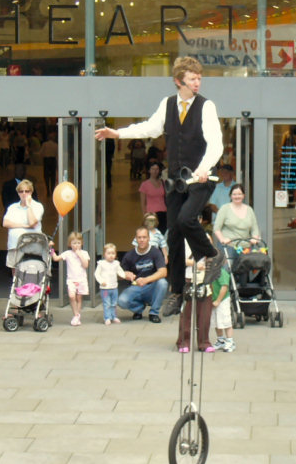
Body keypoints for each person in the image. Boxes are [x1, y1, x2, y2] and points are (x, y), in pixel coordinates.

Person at [96, 56, 225, 318]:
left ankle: (212, 255)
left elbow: (216, 143)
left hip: (200, 179)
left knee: (187, 219)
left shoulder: (206, 106)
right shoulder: (168, 104)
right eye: (192, 79)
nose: (197, 83)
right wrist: (117, 133)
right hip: (177, 181)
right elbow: (149, 128)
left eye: (199, 78)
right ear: (179, 81)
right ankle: (176, 291)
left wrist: (204, 167)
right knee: (174, 234)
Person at [118, 226, 168, 323]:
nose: (141, 240)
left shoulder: (155, 252)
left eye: (144, 237)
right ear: (135, 239)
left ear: (149, 238)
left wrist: (146, 280)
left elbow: (163, 272)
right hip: (136, 287)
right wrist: (125, 275)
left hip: (152, 286)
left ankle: (154, 313)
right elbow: (119, 275)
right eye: (139, 237)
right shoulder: (129, 255)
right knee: (122, 301)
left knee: (163, 283)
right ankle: (139, 309)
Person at [177, 238, 216, 353]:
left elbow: (212, 255)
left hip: (204, 279)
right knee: (186, 313)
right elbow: (177, 259)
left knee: (205, 313)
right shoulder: (181, 239)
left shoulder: (205, 236)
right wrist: (194, 264)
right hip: (187, 278)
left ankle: (204, 342)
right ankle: (184, 341)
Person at [3, 179, 44, 273]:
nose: (24, 194)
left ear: (31, 192)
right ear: (18, 193)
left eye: (27, 191)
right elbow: (5, 223)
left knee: (32, 273)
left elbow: (32, 223)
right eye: (21, 191)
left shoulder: (38, 206)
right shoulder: (12, 207)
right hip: (14, 245)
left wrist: (28, 205)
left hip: (32, 247)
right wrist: (24, 225)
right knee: (15, 273)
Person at [50, 232, 90, 326]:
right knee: (72, 296)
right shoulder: (68, 253)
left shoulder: (84, 253)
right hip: (71, 280)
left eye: (78, 243)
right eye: (74, 243)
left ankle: (77, 316)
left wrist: (79, 255)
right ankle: (76, 315)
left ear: (82, 243)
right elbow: (56, 258)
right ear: (70, 244)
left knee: (79, 298)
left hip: (81, 279)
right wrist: (51, 249)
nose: (76, 245)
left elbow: (85, 265)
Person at [213, 184, 260, 258]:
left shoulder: (249, 210)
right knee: (228, 265)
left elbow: (255, 229)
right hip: (229, 247)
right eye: (234, 194)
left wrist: (255, 238)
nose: (237, 196)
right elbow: (216, 228)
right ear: (230, 196)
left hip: (246, 248)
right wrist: (222, 239)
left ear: (243, 195)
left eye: (239, 194)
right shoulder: (224, 209)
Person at [94, 243, 126, 325]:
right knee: (107, 303)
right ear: (104, 254)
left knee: (114, 303)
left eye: (113, 253)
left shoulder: (116, 263)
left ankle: (114, 316)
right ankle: (107, 317)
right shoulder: (101, 264)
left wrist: (123, 275)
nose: (111, 255)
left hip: (114, 287)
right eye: (108, 253)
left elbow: (120, 271)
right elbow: (97, 274)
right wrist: (101, 281)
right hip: (105, 289)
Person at [211, 266, 235, 352]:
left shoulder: (221, 272)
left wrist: (218, 300)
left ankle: (230, 341)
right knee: (216, 322)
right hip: (214, 299)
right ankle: (220, 340)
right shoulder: (211, 272)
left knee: (226, 321)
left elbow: (224, 286)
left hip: (223, 300)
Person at [139, 163, 167, 233]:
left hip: (163, 213)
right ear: (149, 170)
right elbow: (143, 203)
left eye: (157, 169)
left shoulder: (163, 183)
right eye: (153, 169)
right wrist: (145, 216)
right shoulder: (144, 185)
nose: (155, 171)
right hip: (151, 214)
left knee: (162, 235)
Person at [40, 131, 58, 197]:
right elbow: (57, 154)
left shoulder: (44, 144)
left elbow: (41, 153)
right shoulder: (56, 145)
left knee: (46, 176)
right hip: (53, 160)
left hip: (46, 160)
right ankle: (52, 190)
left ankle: (48, 190)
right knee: (53, 176)